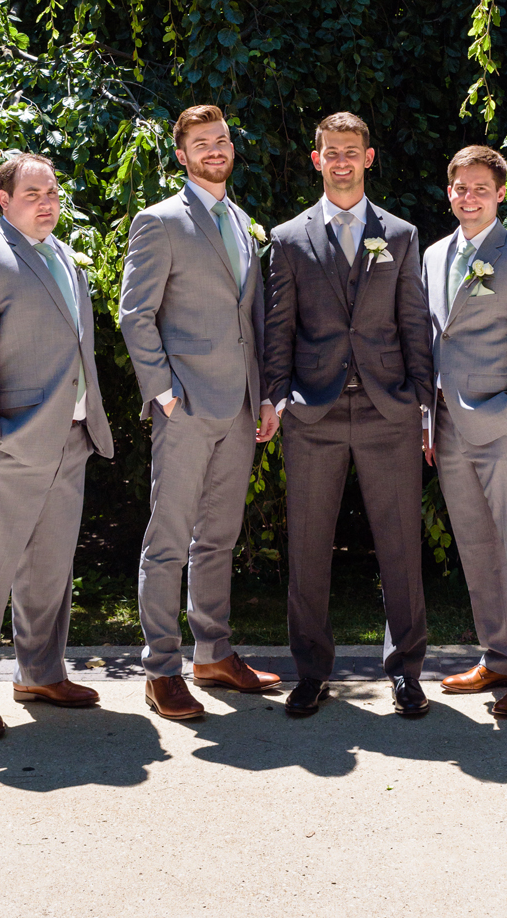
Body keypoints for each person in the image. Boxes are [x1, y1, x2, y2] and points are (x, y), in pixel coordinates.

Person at [262, 112, 435, 718]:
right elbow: (278, 327)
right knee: (308, 547)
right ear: (317, 160)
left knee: (399, 548)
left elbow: (414, 321)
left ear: (367, 158)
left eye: (351, 151)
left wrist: (424, 405)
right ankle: (310, 672)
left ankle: (407, 672)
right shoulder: (287, 239)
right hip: (314, 412)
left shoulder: (402, 234)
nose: (341, 160)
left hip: (390, 408)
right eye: (330, 151)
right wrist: (274, 395)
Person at [0, 152, 114, 738]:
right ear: (3, 199)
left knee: (50, 570)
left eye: (53, 191)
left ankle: (40, 672)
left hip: (71, 440)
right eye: (34, 192)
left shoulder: (65, 257)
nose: (48, 201)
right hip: (9, 444)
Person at [117, 104, 282, 719]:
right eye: (201, 143)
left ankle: (213, 653)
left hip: (240, 406)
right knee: (168, 539)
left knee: (218, 537)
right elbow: (135, 313)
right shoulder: (158, 222)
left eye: (222, 140)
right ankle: (161, 668)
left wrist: (264, 394)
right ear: (181, 154)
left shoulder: (241, 222)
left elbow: (253, 323)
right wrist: (164, 394)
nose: (215, 149)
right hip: (184, 406)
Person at [422, 145, 507, 718]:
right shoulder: (433, 256)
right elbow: (433, 341)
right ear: (448, 191)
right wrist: (428, 421)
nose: (468, 197)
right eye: (460, 188)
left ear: (501, 193)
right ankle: (498, 654)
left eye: (480, 188)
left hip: (504, 427)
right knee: (477, 547)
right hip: (447, 426)